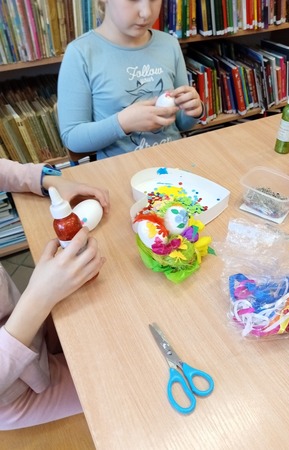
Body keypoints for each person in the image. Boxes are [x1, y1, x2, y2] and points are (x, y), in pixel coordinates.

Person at [0, 159, 110, 430]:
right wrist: (39, 299)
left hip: (21, 320)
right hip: (16, 390)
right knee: (126, 380)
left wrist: (46, 179)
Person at [57, 0, 204, 160]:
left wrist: (194, 110)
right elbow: (72, 138)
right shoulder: (81, 53)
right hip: (121, 171)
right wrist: (123, 123)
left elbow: (181, 124)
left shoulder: (169, 44)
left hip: (172, 164)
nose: (146, 12)